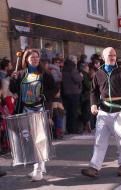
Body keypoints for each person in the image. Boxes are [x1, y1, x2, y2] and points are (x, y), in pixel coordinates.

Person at [81, 47, 121, 178]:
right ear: (104, 57)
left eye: (114, 55)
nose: (113, 57)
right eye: (110, 55)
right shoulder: (98, 73)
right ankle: (94, 167)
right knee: (99, 141)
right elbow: (93, 91)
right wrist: (93, 104)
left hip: (119, 112)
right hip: (103, 112)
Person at [10, 49, 57, 181]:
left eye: (36, 57)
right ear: (26, 60)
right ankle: (40, 167)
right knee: (29, 140)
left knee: (39, 139)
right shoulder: (20, 74)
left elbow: (54, 89)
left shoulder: (45, 74)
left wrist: (43, 96)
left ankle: (38, 170)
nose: (35, 59)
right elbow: (14, 90)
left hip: (39, 110)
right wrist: (13, 80)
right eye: (32, 58)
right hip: (24, 110)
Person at [61, 55, 83, 134]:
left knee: (68, 111)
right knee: (73, 112)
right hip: (74, 93)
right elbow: (78, 79)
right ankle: (73, 129)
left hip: (65, 92)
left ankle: (67, 128)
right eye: (76, 59)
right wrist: (81, 76)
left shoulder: (64, 68)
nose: (77, 61)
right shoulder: (72, 68)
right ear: (73, 61)